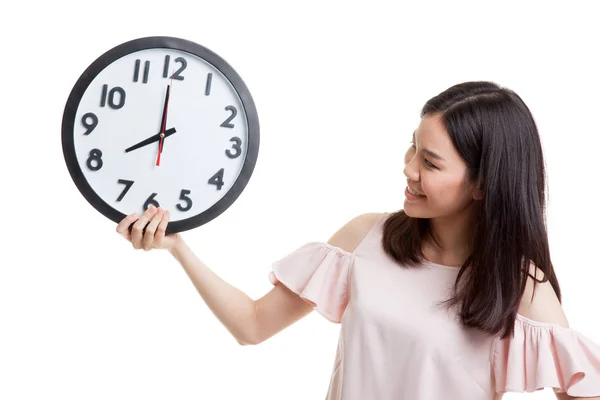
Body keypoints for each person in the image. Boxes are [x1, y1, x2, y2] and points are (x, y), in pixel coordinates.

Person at [115, 81, 600, 400]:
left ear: (483, 184)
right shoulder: (367, 238)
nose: (408, 168)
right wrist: (177, 247)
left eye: (430, 163)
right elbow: (253, 325)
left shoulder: (520, 288)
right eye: (413, 145)